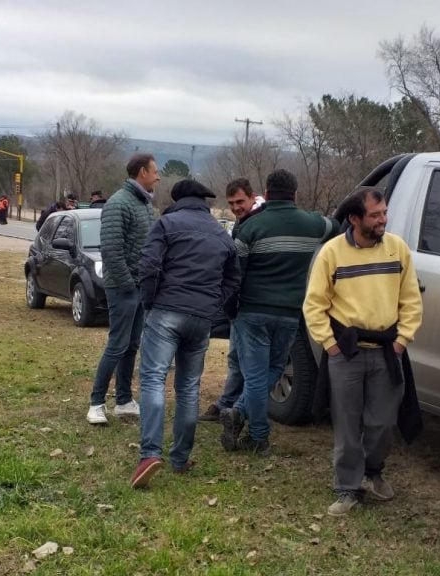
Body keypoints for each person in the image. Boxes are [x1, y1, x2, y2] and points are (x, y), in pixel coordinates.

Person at [302, 187, 422, 516]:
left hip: (387, 351)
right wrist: (331, 345)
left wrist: (402, 340)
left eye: (384, 212)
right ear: (355, 219)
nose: (383, 219)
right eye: (375, 214)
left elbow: (411, 299)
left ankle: (372, 472)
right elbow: (314, 305)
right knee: (346, 423)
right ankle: (348, 487)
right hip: (347, 353)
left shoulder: (397, 249)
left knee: (382, 423)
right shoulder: (332, 253)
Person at [130, 180, 239, 488]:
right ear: (203, 201)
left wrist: (150, 301)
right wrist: (214, 305)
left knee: (153, 378)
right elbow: (233, 278)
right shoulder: (221, 233)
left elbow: (149, 265)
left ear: (177, 200)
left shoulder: (166, 223)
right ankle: (179, 458)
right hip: (201, 318)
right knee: (189, 387)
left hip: (166, 311)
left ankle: (150, 454)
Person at [219, 169, 337, 455]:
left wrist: (230, 308)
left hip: (253, 312)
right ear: (296, 194)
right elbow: (336, 225)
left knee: (257, 375)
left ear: (266, 195)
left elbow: (234, 274)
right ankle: (241, 416)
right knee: (274, 369)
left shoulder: (250, 227)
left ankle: (257, 434)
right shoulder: (312, 224)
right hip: (290, 313)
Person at [87, 153, 160, 425]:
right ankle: (96, 403)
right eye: (155, 171)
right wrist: (129, 285)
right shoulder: (119, 203)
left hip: (140, 287)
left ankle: (124, 400)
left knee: (131, 345)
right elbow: (111, 250)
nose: (158, 176)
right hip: (123, 287)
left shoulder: (143, 204)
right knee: (117, 345)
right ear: (142, 172)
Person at [199, 177, 264, 422]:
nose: (236, 207)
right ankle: (228, 403)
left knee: (247, 361)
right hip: (238, 303)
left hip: (251, 302)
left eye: (240, 201)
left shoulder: (256, 223)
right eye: (232, 203)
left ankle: (239, 408)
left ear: (252, 196)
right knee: (236, 357)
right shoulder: (241, 223)